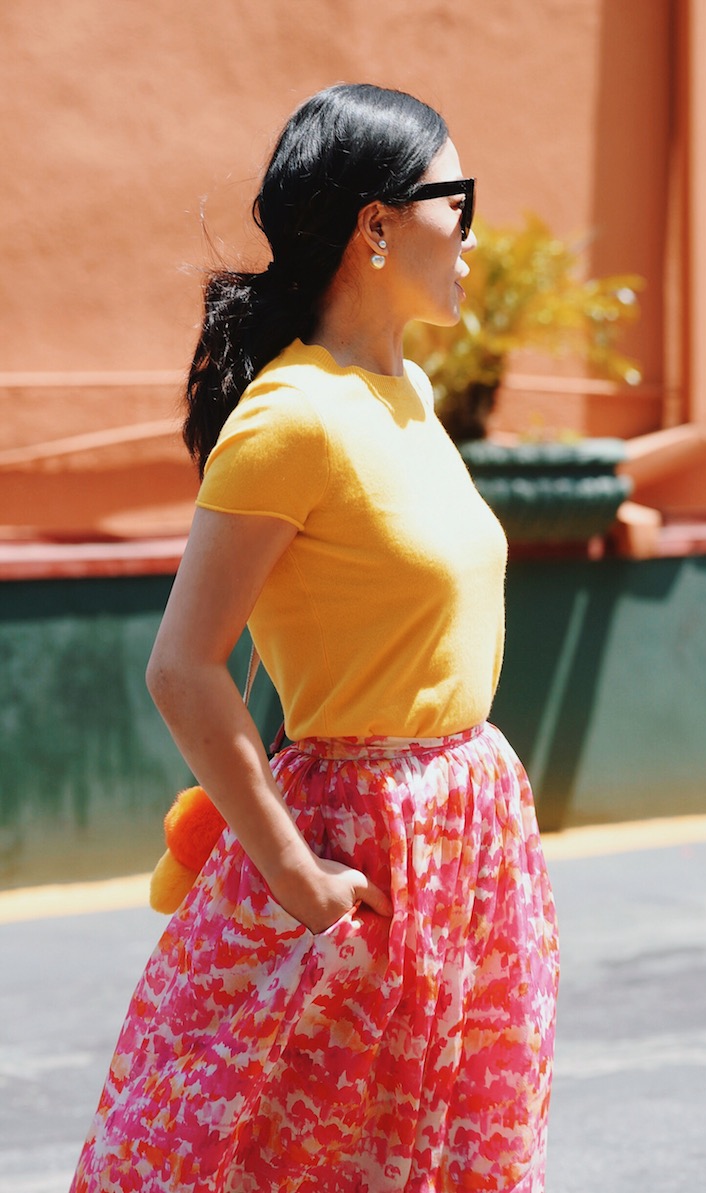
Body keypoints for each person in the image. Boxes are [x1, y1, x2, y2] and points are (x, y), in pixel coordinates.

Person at [70, 83, 559, 1192]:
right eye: (457, 196)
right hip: (361, 841)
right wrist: (293, 871)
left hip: (469, 834)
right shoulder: (291, 417)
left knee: (435, 1151)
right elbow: (183, 664)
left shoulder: (410, 390)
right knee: (304, 1154)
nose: (474, 229)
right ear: (375, 226)